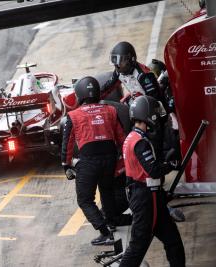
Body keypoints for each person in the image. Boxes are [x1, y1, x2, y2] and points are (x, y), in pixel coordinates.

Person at [120, 95, 185, 267]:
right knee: (137, 246)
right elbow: (153, 170)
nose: (156, 116)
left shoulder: (132, 137)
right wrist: (171, 165)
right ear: (147, 114)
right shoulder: (140, 141)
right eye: (155, 112)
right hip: (146, 198)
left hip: (149, 196)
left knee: (173, 241)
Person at [61, 76, 126, 245]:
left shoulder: (73, 115)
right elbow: (122, 138)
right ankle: (111, 222)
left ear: (79, 95)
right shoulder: (111, 110)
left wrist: (66, 165)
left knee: (85, 199)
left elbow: (67, 143)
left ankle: (105, 233)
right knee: (107, 190)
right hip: (110, 158)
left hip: (89, 161)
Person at [102, 41, 166, 108]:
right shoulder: (119, 72)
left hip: (152, 107)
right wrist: (93, 98)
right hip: (138, 101)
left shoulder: (143, 75)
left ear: (130, 59)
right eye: (116, 62)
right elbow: (108, 87)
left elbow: (155, 100)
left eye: (121, 61)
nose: (117, 66)